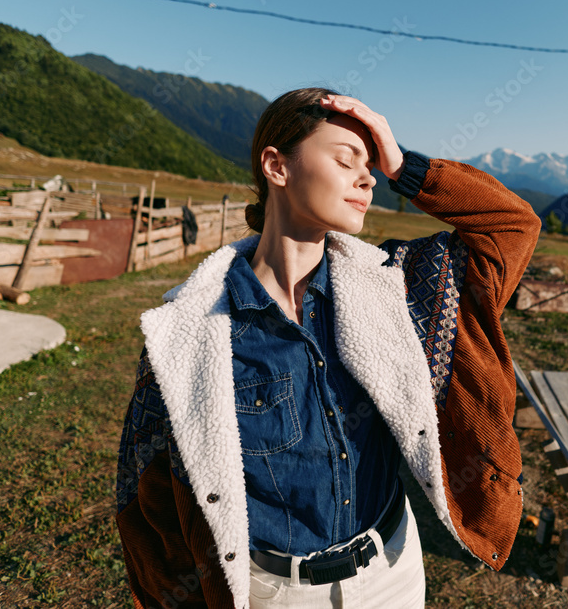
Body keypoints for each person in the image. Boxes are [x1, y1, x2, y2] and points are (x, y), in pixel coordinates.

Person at [115, 88, 542, 608]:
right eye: (346, 160)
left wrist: (404, 165)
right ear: (277, 166)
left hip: (393, 572)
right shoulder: (191, 333)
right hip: (274, 592)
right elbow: (150, 501)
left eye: (373, 164)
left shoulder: (402, 288)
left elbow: (512, 227)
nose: (367, 178)